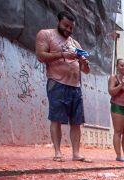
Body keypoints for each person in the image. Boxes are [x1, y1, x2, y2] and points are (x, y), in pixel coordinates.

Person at [35, 10, 91, 163]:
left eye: (71, 28)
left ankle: (76, 153)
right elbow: (40, 55)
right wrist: (62, 54)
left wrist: (84, 63)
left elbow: (86, 70)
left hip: (76, 86)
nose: (68, 29)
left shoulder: (75, 43)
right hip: (57, 83)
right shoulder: (46, 34)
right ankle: (58, 152)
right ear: (58, 21)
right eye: (66, 26)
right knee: (56, 119)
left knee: (76, 122)